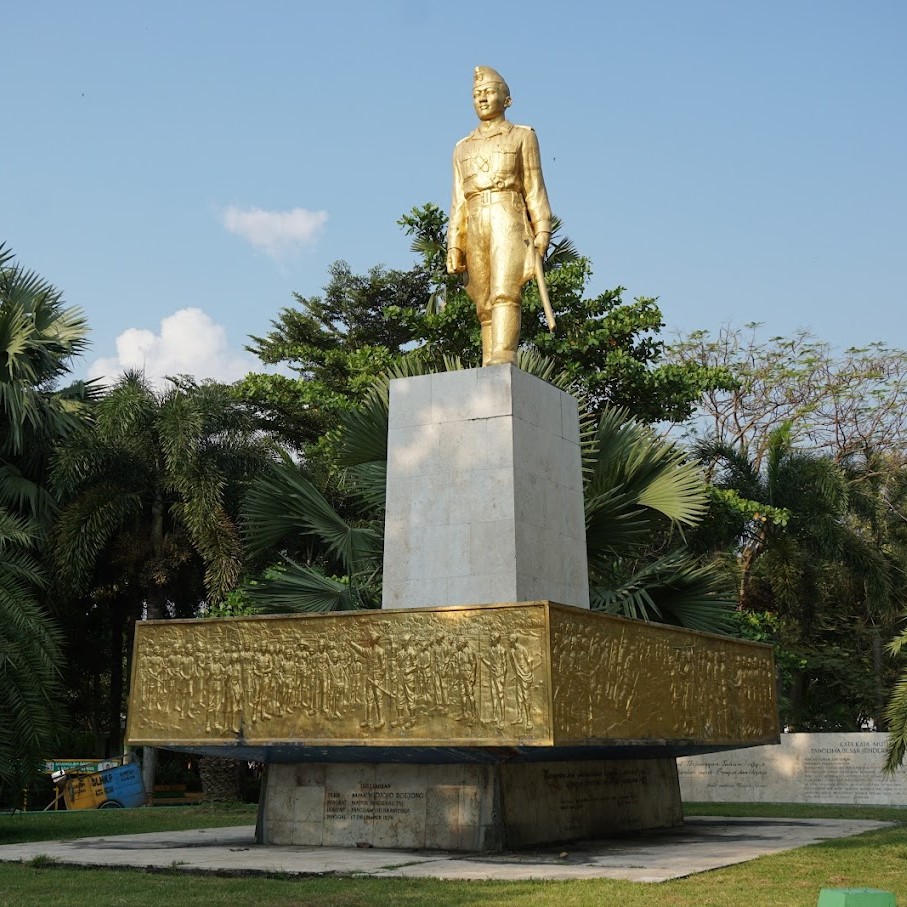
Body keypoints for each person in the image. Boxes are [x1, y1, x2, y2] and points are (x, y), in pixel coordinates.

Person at [447, 66, 552, 366]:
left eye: (489, 92)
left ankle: (504, 355)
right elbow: (458, 201)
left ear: (507, 99)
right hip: (476, 219)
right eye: (477, 94)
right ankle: (488, 358)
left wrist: (542, 229)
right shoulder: (461, 148)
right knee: (483, 300)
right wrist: (454, 244)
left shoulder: (522, 136)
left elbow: (534, 187)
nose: (482, 98)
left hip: (508, 215)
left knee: (505, 290)